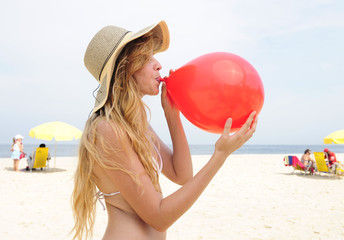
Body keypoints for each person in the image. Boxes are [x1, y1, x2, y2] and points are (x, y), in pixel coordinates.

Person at [71, 20, 258, 240]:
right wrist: (220, 155)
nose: (158, 64)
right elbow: (159, 217)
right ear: (124, 70)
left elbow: (182, 174)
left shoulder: (135, 124)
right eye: (146, 58)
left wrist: (172, 116)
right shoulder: (106, 129)